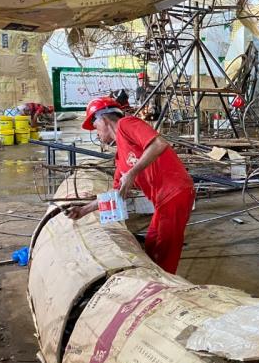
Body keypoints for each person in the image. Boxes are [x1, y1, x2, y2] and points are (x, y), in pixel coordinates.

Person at [66, 97, 195, 275]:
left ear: (104, 120)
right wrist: (84, 210)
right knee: (151, 245)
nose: (97, 134)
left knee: (164, 251)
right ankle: (157, 279)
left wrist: (133, 173)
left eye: (95, 127)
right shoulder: (120, 157)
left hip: (175, 192)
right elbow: (116, 193)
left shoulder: (127, 124)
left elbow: (159, 144)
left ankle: (165, 285)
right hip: (162, 201)